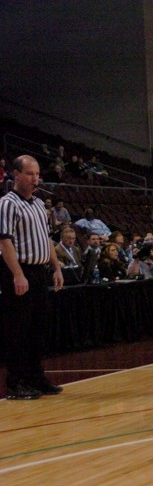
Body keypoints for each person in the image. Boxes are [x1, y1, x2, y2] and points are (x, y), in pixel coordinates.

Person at [0, 155, 65, 399]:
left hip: (39, 272)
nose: (35, 178)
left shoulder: (39, 204)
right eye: (30, 173)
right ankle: (16, 383)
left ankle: (36, 378)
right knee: (18, 330)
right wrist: (17, 274)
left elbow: (46, 239)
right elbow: (4, 241)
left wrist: (56, 267)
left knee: (38, 329)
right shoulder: (7, 203)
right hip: (20, 271)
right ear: (16, 174)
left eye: (37, 173)